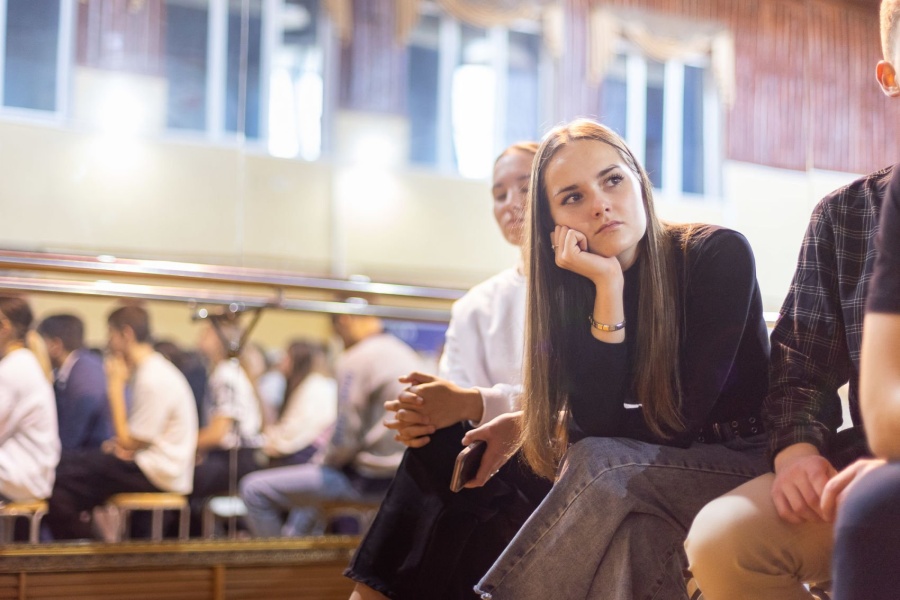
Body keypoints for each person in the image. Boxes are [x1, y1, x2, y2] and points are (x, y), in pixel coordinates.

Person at [466, 118, 771, 599]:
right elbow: (596, 419)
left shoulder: (716, 254)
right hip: (657, 471)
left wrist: (558, 424)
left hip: (748, 460)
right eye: (573, 197)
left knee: (601, 462)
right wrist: (607, 286)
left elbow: (677, 421)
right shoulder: (575, 291)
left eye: (612, 180)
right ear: (552, 224)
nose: (600, 204)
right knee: (635, 540)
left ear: (638, 180)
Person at [683, 4, 900, 597]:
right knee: (724, 540)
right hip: (875, 464)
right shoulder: (847, 215)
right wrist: (799, 455)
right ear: (890, 78)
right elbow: (802, 369)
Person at [346, 142, 552, 600]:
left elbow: (576, 401)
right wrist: (423, 415)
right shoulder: (475, 305)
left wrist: (474, 404)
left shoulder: (584, 289)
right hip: (483, 463)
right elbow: (454, 398)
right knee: (442, 449)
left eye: (525, 187)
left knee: (449, 466)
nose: (511, 203)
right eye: (499, 194)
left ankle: (367, 595)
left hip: (551, 452)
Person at [239, 313, 418, 537]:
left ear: (345, 320)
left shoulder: (356, 358)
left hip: (368, 480)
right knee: (312, 492)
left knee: (253, 489)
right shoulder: (407, 354)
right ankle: (295, 549)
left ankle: (280, 558)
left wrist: (323, 460)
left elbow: (345, 436)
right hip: (405, 478)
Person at [46, 305, 198, 540]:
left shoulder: (153, 376)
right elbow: (134, 441)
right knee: (69, 467)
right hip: (153, 466)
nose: (108, 343)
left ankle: (87, 549)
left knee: (61, 479)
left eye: (111, 334)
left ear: (126, 334)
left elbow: (128, 442)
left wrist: (115, 387)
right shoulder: (151, 370)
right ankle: (92, 545)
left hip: (159, 472)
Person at [188, 316, 265, 534]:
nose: (200, 337)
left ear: (218, 338)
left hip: (234, 461)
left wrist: (179, 444)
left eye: (206, 332)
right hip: (241, 458)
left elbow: (218, 433)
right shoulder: (230, 371)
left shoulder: (225, 374)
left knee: (181, 481)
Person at [0, 295, 60, 504]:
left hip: (19, 475)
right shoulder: (23, 362)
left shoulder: (14, 367)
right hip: (29, 473)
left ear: (4, 326)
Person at [38, 314, 112, 452]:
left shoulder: (83, 376)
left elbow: (69, 440)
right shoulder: (85, 364)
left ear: (55, 345)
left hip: (95, 454)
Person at [259, 340, 337, 467]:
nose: (281, 360)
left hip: (307, 455)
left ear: (298, 360)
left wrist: (273, 440)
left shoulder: (315, 387)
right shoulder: (304, 384)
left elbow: (296, 433)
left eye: (286, 356)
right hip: (302, 451)